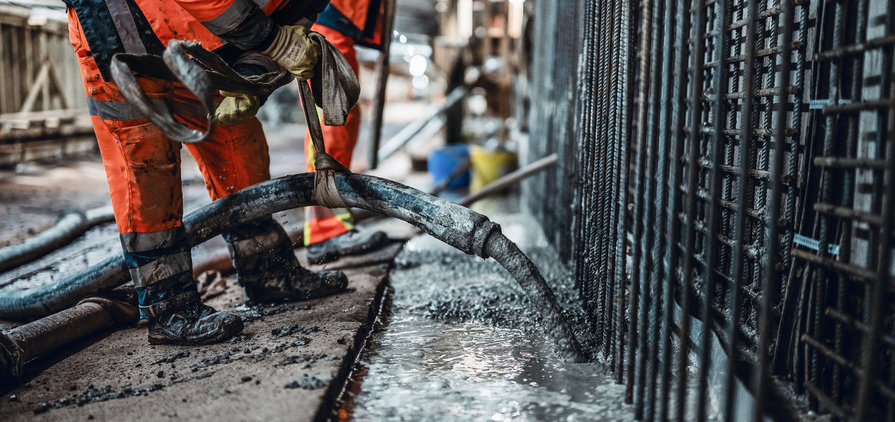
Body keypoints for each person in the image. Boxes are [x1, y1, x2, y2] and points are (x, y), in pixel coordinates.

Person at [63, 0, 348, 346]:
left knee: (237, 144)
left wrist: (256, 71)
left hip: (192, 37)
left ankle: (267, 273)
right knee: (145, 160)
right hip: (119, 34)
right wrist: (272, 40)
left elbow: (289, 22)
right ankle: (168, 308)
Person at [301, 0, 390, 265]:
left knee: (341, 118)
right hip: (327, 14)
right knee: (331, 124)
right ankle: (324, 231)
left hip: (339, 20)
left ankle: (332, 226)